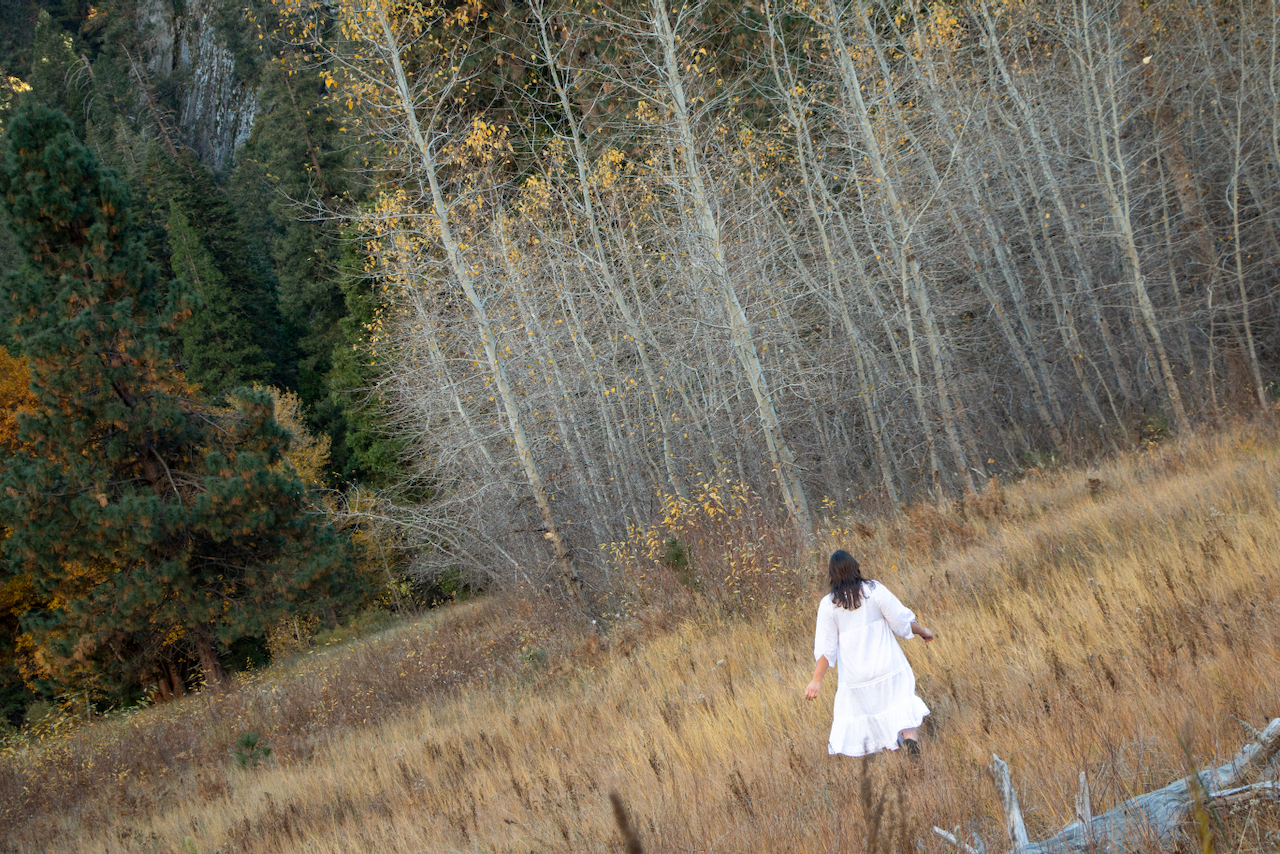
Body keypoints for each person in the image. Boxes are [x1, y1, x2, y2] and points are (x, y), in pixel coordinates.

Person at [804, 550, 935, 758]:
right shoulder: (873, 590)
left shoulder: (828, 606)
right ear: (856, 568)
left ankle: (897, 759)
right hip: (888, 666)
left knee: (873, 718)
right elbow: (901, 621)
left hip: (857, 677)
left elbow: (825, 650)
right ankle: (910, 740)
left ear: (832, 576)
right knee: (902, 703)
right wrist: (923, 631)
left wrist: (816, 680)